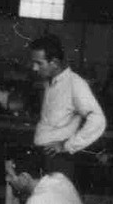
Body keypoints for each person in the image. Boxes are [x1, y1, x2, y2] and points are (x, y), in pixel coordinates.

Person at [29, 34, 107, 163]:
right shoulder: (49, 82)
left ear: (54, 63)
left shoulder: (75, 84)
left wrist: (66, 145)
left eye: (39, 63)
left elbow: (98, 120)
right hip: (44, 155)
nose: (34, 68)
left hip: (59, 160)